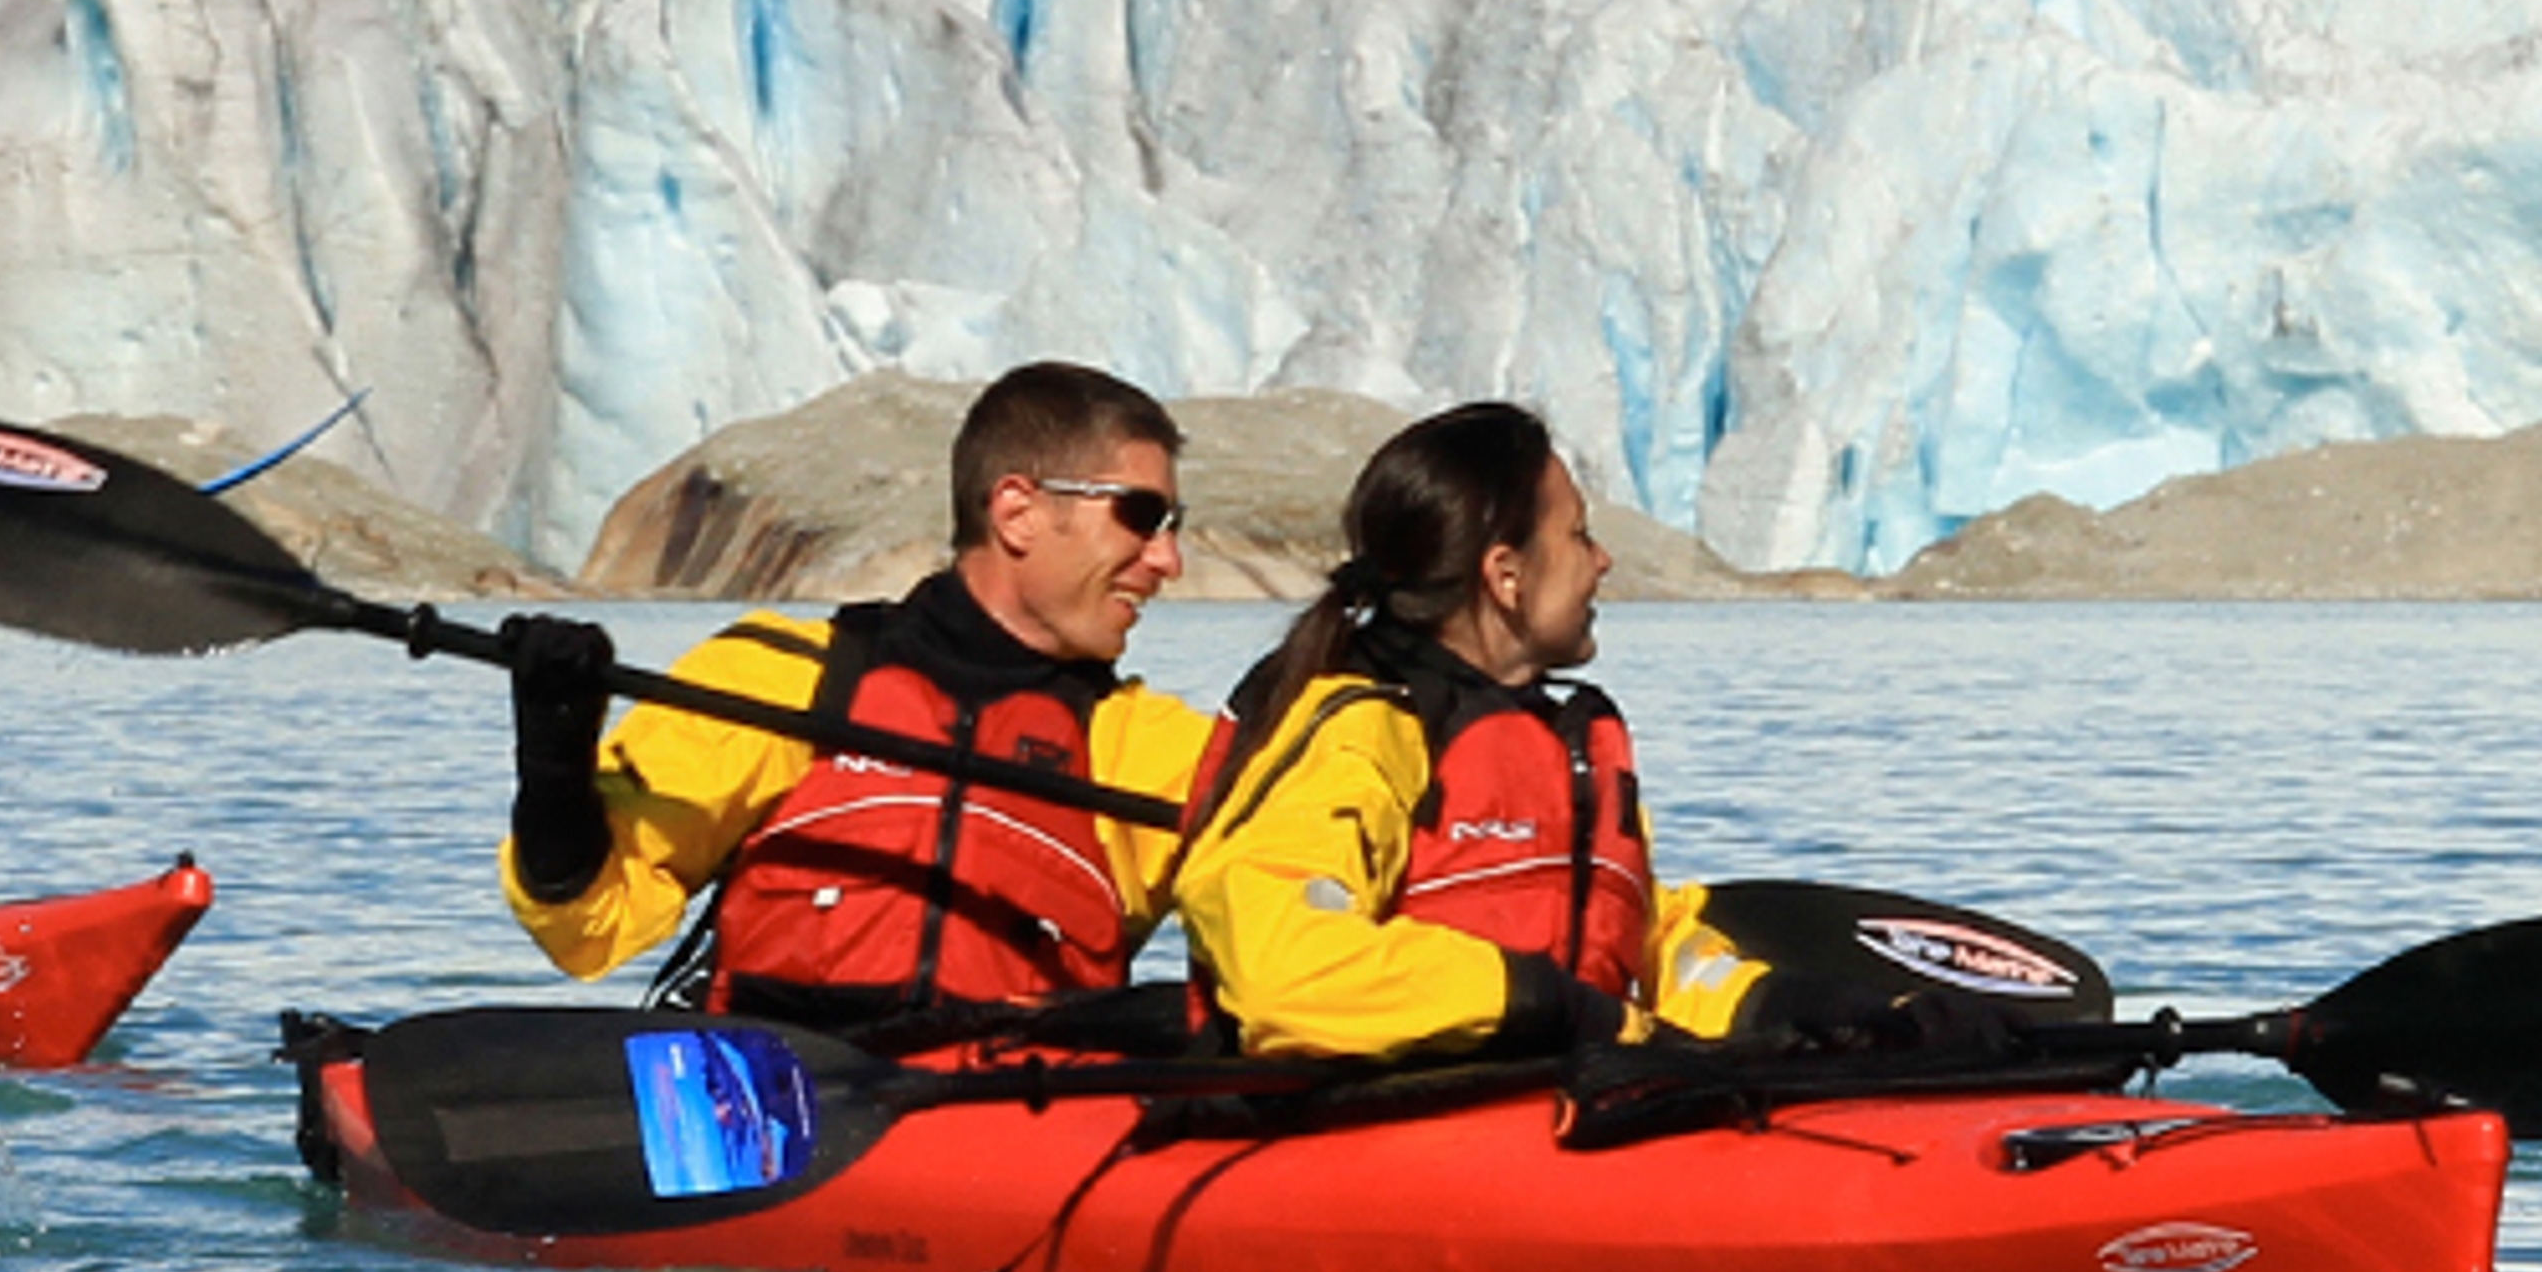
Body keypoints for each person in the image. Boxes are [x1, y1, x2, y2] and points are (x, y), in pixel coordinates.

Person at [499, 359, 1222, 1034]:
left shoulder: (1160, 755)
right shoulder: (777, 680)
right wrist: (554, 764)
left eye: (1172, 528)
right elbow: (587, 923)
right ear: (1017, 512)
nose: (1167, 559)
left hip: (1015, 1134)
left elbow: (1291, 944)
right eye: (1139, 516)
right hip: (778, 1120)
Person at [1173, 399, 1759, 1061]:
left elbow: (1637, 934)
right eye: (1579, 536)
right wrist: (1541, 1002)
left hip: (1544, 1107)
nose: (1602, 562)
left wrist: (1765, 1006)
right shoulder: (1362, 730)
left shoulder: (1556, 745)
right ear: (1506, 574)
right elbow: (1286, 967)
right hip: (1374, 1128)